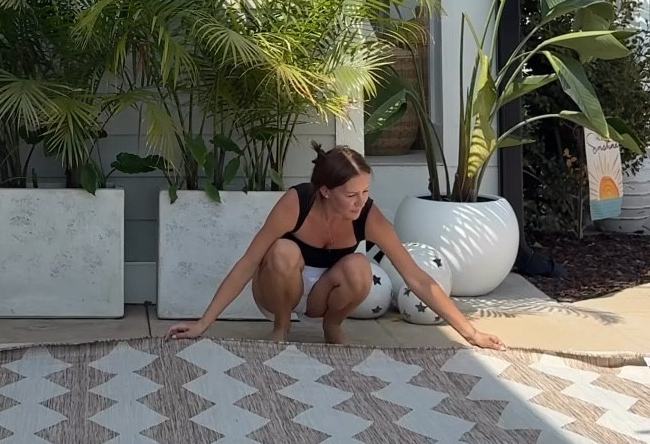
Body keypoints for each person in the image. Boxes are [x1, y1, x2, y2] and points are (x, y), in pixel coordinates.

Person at [164, 144, 505, 350]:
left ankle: (332, 326)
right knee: (283, 251)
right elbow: (248, 262)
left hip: (323, 296)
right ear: (326, 191)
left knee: (361, 268)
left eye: (366, 192)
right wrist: (203, 323)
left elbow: (417, 278)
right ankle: (281, 327)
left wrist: (471, 332)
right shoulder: (296, 202)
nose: (361, 202)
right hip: (277, 287)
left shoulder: (368, 216)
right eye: (351, 195)